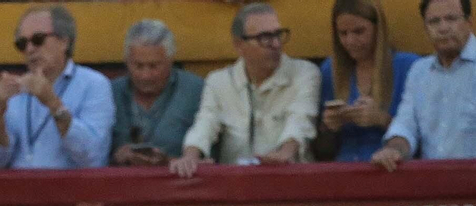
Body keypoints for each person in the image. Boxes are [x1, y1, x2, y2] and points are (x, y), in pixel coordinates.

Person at [170, 4, 321, 178]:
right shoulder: (219, 81)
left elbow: (301, 119)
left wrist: (285, 154)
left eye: (278, 34)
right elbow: (205, 123)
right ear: (239, 44)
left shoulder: (305, 73)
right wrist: (190, 157)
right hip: (236, 183)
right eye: (265, 37)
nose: (276, 44)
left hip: (290, 179)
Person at [0, 5, 115, 171]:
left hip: (71, 192)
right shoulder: (15, 88)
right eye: (22, 43)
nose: (29, 49)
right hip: (18, 192)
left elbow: (92, 156)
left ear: (64, 42)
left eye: (38, 39)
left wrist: (52, 102)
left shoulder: (94, 84)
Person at [373, 0, 476, 171]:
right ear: (425, 27)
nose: (443, 28)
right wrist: (393, 150)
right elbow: (406, 125)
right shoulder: (419, 71)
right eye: (434, 21)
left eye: (451, 19)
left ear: (469, 22)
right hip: (433, 186)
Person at [315, 0, 419, 162]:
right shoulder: (330, 69)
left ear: (378, 29)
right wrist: (329, 127)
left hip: (391, 167)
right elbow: (322, 150)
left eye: (359, 32)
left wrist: (381, 119)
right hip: (344, 169)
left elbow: (424, 136)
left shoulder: (408, 66)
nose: (350, 41)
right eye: (343, 33)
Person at [110, 20, 204, 165]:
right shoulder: (110, 92)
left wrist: (169, 161)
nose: (145, 75)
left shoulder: (196, 90)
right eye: (138, 66)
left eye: (154, 66)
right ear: (126, 61)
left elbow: (211, 154)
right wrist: (117, 156)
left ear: (170, 60)